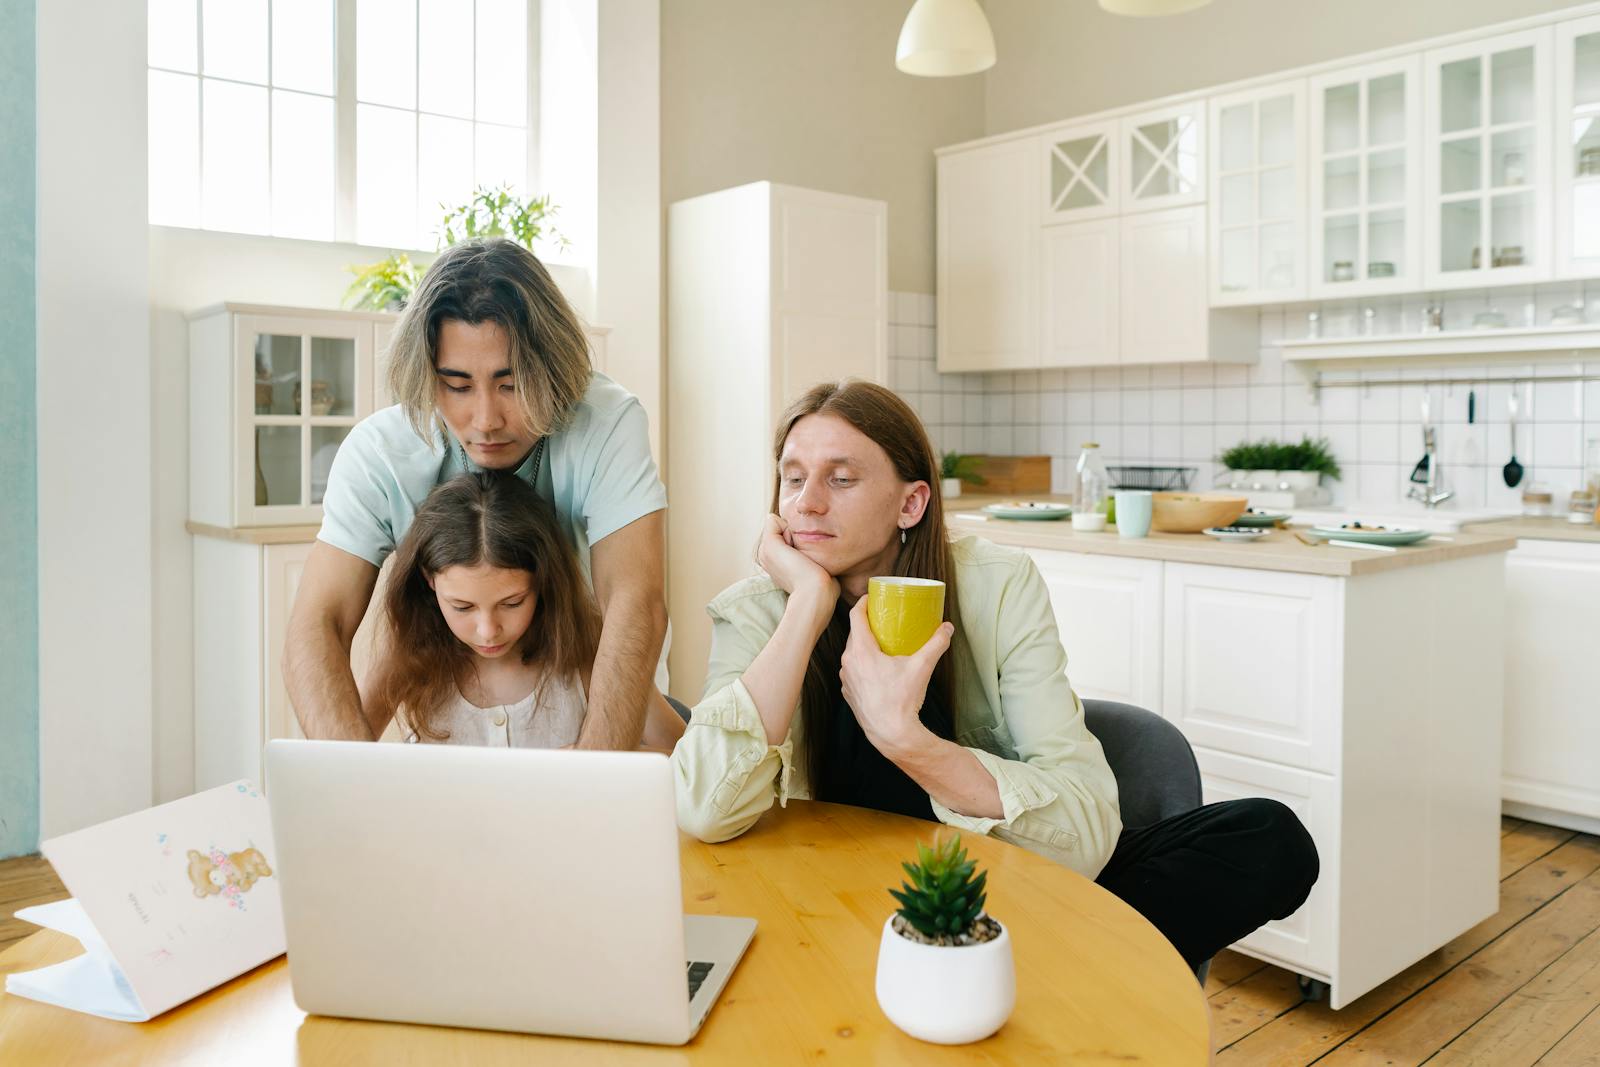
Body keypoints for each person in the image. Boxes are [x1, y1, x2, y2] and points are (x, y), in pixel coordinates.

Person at [671, 379, 1318, 970]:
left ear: (911, 502)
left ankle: (1002, 968)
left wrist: (907, 741)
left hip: (998, 885)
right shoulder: (759, 611)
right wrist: (807, 605)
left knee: (1270, 838)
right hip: (827, 905)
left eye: (840, 479)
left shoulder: (998, 584)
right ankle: (1046, 975)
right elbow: (703, 807)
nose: (807, 503)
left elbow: (1090, 826)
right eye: (792, 479)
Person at [285, 237, 672, 749]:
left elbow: (635, 600)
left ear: (553, 372)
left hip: (604, 715)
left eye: (511, 384)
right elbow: (317, 624)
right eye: (458, 386)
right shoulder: (380, 455)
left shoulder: (606, 422)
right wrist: (351, 785)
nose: (486, 420)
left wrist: (588, 778)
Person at [361, 473, 684, 751]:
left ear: (544, 582)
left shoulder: (590, 649)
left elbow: (685, 757)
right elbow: (345, 753)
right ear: (429, 581)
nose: (488, 630)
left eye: (512, 603)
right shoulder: (408, 655)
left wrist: (604, 760)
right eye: (462, 607)